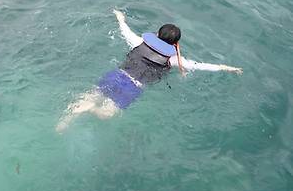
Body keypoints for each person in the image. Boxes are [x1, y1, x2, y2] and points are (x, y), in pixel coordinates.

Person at [55, 10, 242, 132]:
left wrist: (120, 17)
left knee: (89, 96)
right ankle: (93, 110)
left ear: (157, 34)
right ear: (176, 44)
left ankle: (69, 118)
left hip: (118, 74)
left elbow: (124, 30)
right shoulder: (174, 60)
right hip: (133, 87)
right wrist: (226, 68)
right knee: (108, 115)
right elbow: (199, 65)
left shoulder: (139, 42)